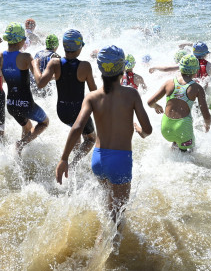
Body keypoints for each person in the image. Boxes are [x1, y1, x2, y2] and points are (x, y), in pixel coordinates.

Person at [55, 45, 152, 227]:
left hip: (98, 160)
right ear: (122, 68)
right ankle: (108, 250)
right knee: (117, 217)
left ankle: (101, 239)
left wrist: (64, 159)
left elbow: (77, 127)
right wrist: (140, 131)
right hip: (121, 160)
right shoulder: (131, 94)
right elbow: (147, 129)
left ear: (100, 68)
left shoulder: (92, 96)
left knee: (108, 207)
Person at [0, 22, 49, 153]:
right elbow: (40, 82)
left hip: (11, 105)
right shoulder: (26, 57)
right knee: (44, 122)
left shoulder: (0, 56)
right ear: (22, 41)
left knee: (27, 127)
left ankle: (19, 155)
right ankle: (20, 144)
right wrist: (35, 64)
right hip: (26, 104)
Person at [36, 29, 98, 164]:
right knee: (91, 139)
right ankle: (73, 164)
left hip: (62, 112)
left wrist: (35, 65)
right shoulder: (85, 66)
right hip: (79, 111)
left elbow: (40, 83)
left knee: (75, 130)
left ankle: (73, 159)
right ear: (79, 47)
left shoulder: (54, 63)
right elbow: (94, 91)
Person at [147, 55, 211, 152]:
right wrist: (207, 125)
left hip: (166, 128)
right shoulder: (197, 88)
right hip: (183, 129)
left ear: (180, 68)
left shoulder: (168, 83)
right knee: (187, 155)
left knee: (175, 143)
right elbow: (205, 113)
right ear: (196, 71)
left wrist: (156, 106)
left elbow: (150, 102)